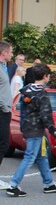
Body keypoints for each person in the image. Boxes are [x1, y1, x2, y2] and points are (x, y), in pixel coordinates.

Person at [6, 63, 56, 197]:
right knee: (30, 156)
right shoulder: (41, 94)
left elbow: (23, 111)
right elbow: (46, 115)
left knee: (41, 156)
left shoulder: (26, 90)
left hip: (27, 127)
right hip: (36, 129)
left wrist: (23, 128)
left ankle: (49, 183)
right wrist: (54, 131)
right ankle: (13, 185)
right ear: (45, 76)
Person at [0, 41, 13, 190]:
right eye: (10, 52)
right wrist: (4, 106)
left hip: (5, 111)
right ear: (4, 53)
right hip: (2, 111)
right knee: (3, 144)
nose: (11, 54)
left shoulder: (4, 67)